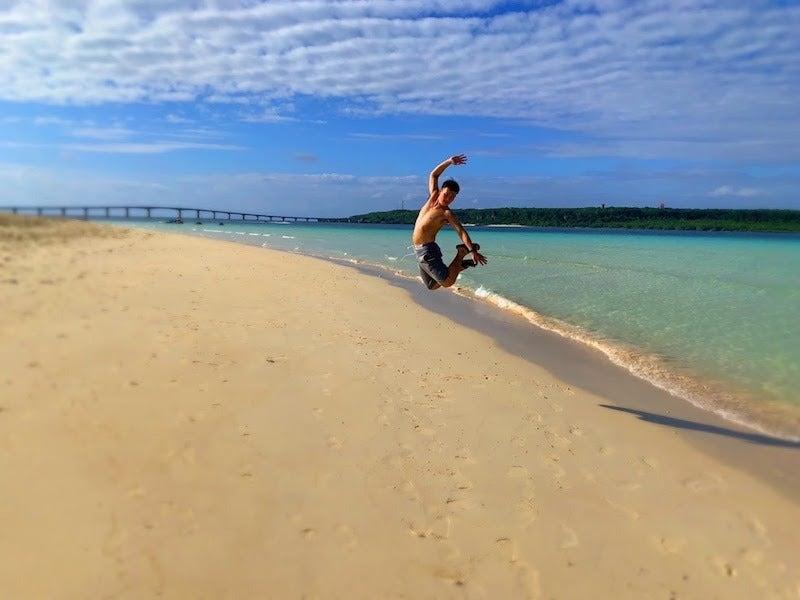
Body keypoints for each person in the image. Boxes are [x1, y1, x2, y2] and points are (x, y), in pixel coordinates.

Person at [412, 154, 487, 290]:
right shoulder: (433, 196)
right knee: (431, 285)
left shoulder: (447, 213)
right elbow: (433, 175)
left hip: (428, 251)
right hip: (418, 250)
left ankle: (461, 253)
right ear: (441, 191)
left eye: (452, 197)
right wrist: (449, 162)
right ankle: (462, 264)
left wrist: (472, 250)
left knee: (447, 282)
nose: (448, 198)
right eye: (446, 194)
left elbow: (461, 231)